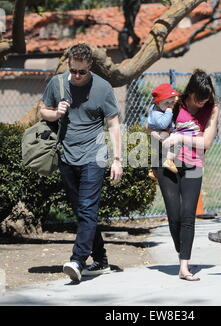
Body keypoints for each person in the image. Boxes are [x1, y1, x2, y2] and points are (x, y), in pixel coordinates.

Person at [40, 43, 123, 282]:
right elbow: (42, 111)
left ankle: (77, 260)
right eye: (73, 70)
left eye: (81, 72)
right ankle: (101, 259)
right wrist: (56, 113)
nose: (76, 76)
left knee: (87, 208)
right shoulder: (57, 83)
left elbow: (114, 124)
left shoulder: (103, 87)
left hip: (93, 156)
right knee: (82, 212)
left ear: (90, 67)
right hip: (66, 156)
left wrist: (117, 160)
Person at [154, 69, 219, 281]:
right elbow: (151, 125)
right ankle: (182, 248)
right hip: (167, 163)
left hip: (193, 165)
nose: (201, 103)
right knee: (174, 216)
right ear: (189, 92)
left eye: (205, 99)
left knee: (188, 215)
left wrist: (180, 138)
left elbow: (206, 142)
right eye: (198, 99)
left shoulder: (212, 109)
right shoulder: (175, 103)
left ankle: (184, 266)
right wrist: (164, 138)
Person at [147, 83, 180, 175]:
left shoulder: (158, 108)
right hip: (161, 134)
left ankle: (153, 171)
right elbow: (163, 124)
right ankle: (169, 160)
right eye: (166, 103)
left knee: (158, 152)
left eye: (172, 102)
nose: (170, 105)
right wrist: (169, 112)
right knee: (176, 143)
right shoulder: (156, 113)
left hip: (158, 135)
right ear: (157, 103)